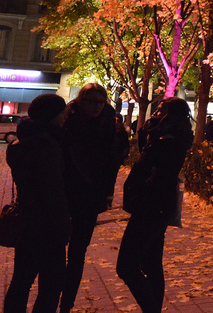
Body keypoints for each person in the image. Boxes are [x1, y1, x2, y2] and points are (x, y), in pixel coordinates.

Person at [117, 98, 193, 313]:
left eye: (161, 110)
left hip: (150, 207)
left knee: (126, 266)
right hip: (156, 206)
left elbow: (155, 171)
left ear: (171, 115)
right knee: (151, 264)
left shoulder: (168, 141)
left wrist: (141, 191)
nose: (155, 114)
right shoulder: (165, 138)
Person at [58, 85, 126, 313]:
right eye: (91, 101)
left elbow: (113, 161)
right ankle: (50, 298)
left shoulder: (109, 125)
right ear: (81, 101)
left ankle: (65, 304)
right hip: (64, 195)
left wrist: (106, 193)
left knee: (77, 254)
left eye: (101, 101)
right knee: (56, 251)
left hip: (89, 197)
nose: (97, 106)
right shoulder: (68, 122)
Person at [3, 93, 71, 313]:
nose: (65, 118)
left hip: (27, 220)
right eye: (63, 113)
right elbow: (52, 191)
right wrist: (63, 226)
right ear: (54, 115)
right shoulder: (48, 147)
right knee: (52, 284)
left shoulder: (21, 145)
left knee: (21, 281)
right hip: (48, 225)